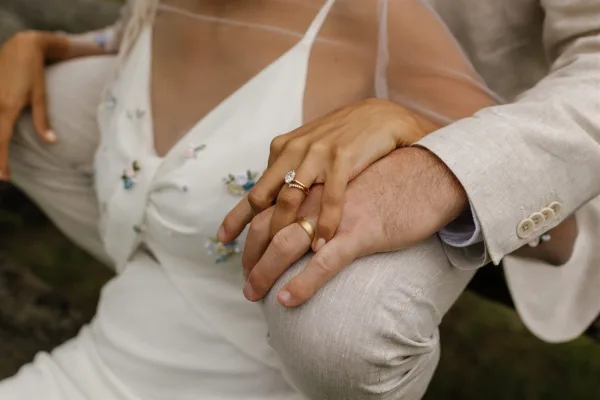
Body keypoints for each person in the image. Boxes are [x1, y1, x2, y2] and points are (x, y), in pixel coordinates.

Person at [0, 2, 592, 400]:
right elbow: (134, 34)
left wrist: (410, 126)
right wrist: (49, 44)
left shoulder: (375, 20)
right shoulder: (156, 10)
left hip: (271, 372)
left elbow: (554, 234)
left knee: (347, 332)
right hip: (90, 369)